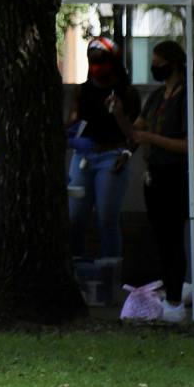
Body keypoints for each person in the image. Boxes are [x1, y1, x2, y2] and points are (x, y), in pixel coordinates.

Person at [123, 40, 194, 299]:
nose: (155, 69)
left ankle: (174, 295)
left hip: (174, 175)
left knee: (172, 237)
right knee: (160, 237)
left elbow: (192, 145)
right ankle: (169, 291)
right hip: (154, 174)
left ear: (173, 65)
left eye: (159, 65)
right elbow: (135, 132)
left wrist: (152, 139)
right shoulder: (156, 97)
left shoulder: (187, 97)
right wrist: (117, 115)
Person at [66, 35, 139, 263]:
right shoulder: (82, 90)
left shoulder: (127, 93)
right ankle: (77, 268)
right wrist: (70, 138)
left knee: (107, 219)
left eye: (101, 60)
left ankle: (110, 272)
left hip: (112, 156)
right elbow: (71, 123)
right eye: (92, 59)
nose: (96, 65)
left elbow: (136, 134)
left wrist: (126, 153)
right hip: (83, 157)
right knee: (75, 217)